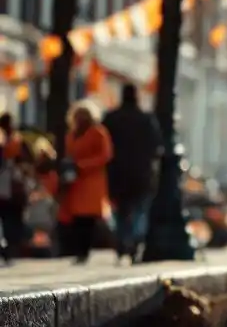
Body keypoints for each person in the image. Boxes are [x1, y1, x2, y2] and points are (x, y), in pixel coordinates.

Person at [103, 83, 163, 262]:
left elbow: (104, 145)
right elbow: (156, 147)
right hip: (141, 174)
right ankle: (135, 240)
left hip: (117, 174)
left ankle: (122, 241)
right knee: (139, 210)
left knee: (121, 211)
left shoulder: (111, 118)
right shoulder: (146, 120)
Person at [63, 100, 114, 264]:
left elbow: (105, 155)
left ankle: (84, 251)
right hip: (77, 182)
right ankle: (79, 250)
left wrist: (83, 165)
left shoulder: (98, 132)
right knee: (77, 218)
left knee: (88, 219)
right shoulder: (71, 134)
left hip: (92, 181)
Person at [0, 113, 30, 263]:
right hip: (11, 187)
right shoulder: (17, 140)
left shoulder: (14, 141)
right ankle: (10, 248)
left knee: (9, 218)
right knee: (10, 218)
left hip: (10, 187)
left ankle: (10, 248)